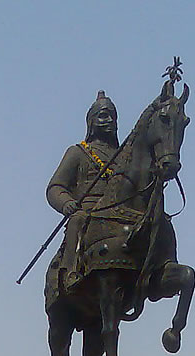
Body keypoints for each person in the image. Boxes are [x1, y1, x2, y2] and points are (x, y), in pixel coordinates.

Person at [44, 90, 120, 308]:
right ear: (91, 122)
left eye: (113, 116)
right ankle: (71, 271)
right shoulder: (78, 152)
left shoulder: (124, 155)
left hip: (118, 211)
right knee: (78, 220)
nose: (109, 120)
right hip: (88, 211)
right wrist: (66, 202)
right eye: (103, 116)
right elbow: (55, 187)